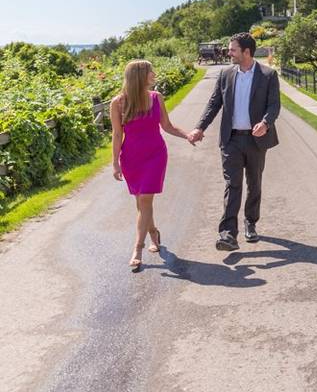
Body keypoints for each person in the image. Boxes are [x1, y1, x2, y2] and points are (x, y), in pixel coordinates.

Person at [189, 32, 281, 251]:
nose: (228, 53)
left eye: (232, 50)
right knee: (233, 184)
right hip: (231, 140)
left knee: (254, 183)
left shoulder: (268, 75)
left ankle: (251, 221)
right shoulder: (226, 74)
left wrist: (266, 123)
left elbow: (274, 105)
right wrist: (200, 127)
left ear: (246, 52)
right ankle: (229, 233)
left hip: (256, 140)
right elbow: (213, 104)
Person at [111, 60, 194, 271]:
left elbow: (166, 125)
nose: (154, 74)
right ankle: (153, 233)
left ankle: (137, 248)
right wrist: (115, 163)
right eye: (150, 71)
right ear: (140, 76)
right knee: (141, 203)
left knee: (145, 199)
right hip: (131, 158)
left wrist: (187, 135)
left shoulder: (156, 98)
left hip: (155, 156)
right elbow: (117, 134)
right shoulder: (118, 103)